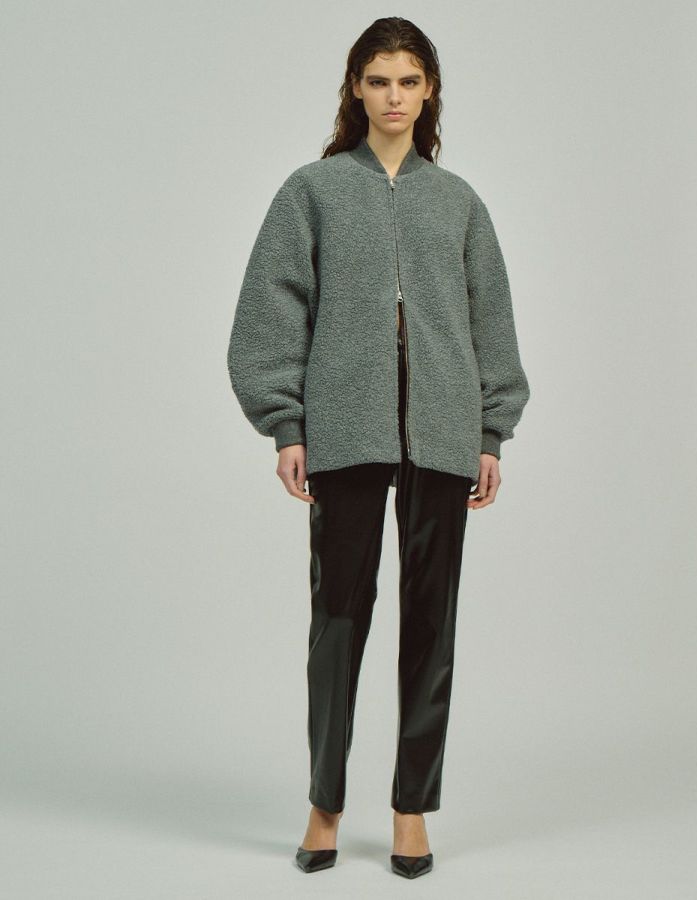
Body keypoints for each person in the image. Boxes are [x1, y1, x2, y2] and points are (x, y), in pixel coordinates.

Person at [227, 16, 530, 880]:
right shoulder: (312, 192)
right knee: (337, 620)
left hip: (443, 432)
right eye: (378, 81)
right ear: (355, 90)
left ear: (428, 91)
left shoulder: (459, 201)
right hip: (345, 429)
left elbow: (490, 321)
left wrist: (490, 431)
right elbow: (269, 313)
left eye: (409, 81)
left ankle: (411, 810)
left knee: (431, 624)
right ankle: (325, 803)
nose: (394, 97)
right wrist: (287, 424)